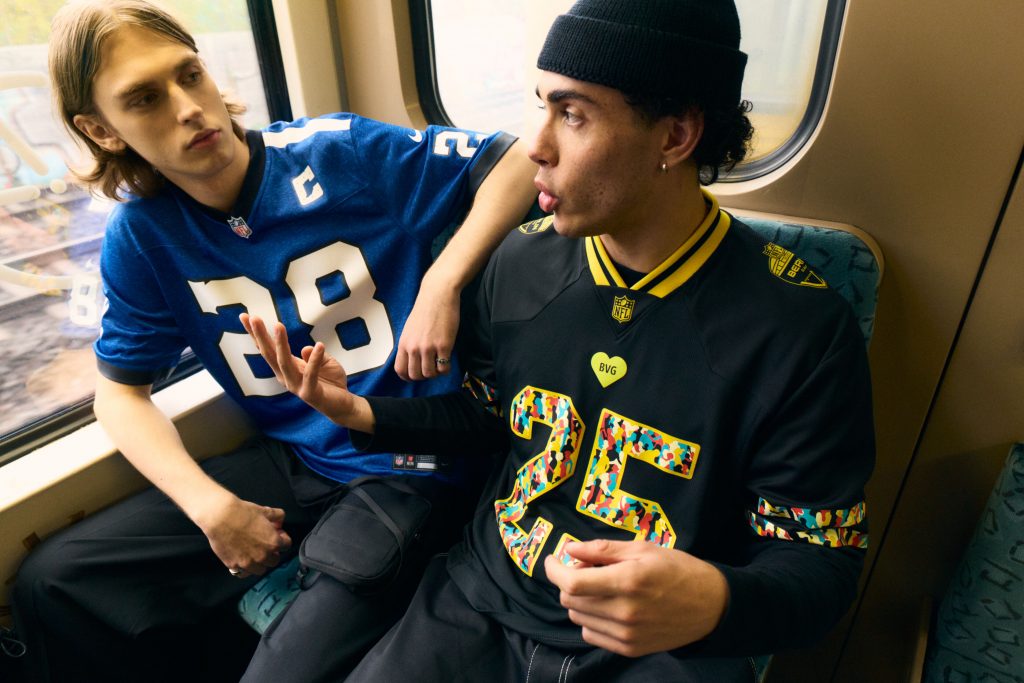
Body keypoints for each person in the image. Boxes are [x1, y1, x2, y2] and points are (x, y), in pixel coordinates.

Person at [243, 0, 876, 681]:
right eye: (538, 105)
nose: (535, 145)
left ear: (675, 137)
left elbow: (820, 562)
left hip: (655, 646)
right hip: (481, 599)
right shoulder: (518, 263)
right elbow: (490, 414)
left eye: (572, 114)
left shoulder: (802, 328)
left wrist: (718, 599)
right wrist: (363, 415)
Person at [9, 1, 536, 682]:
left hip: (410, 459)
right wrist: (210, 506)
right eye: (144, 98)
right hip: (297, 454)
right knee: (54, 582)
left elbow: (517, 161)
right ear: (101, 130)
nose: (189, 107)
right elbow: (119, 394)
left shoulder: (338, 153)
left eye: (188, 75)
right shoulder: (143, 235)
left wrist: (441, 280)